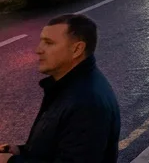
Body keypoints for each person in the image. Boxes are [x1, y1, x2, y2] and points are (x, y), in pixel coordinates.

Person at [0, 15, 119, 163]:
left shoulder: (86, 103)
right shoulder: (67, 85)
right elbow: (57, 146)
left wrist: (11, 162)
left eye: (49, 43)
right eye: (41, 41)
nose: (38, 49)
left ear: (77, 49)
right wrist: (21, 151)